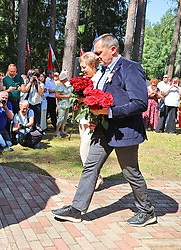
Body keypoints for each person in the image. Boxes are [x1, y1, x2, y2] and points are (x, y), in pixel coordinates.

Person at [52, 33, 156, 227]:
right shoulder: (104, 70)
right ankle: (77, 209)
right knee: (90, 167)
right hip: (103, 129)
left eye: (99, 52)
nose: (96, 56)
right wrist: (96, 116)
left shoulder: (131, 68)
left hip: (125, 131)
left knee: (130, 172)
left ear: (113, 49)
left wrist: (109, 112)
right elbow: (101, 97)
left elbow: (140, 103)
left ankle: (146, 211)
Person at [77, 51, 103, 190]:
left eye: (84, 67)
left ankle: (93, 178)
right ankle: (93, 177)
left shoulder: (100, 79)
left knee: (85, 150)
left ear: (93, 65)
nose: (82, 70)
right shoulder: (88, 79)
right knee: (84, 148)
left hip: (93, 119)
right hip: (84, 117)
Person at [55, 72, 72, 137]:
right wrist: (66, 96)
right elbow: (57, 95)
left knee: (65, 118)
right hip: (62, 104)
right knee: (60, 118)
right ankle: (57, 131)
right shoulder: (59, 86)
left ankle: (62, 130)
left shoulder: (66, 86)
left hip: (67, 104)